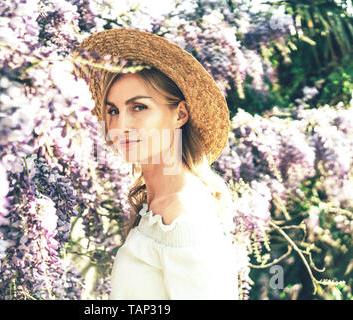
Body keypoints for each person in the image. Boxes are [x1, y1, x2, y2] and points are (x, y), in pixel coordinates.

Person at [73, 28, 239, 300]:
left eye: (138, 107)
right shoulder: (158, 204)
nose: (120, 125)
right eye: (113, 111)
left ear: (180, 114)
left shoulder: (183, 212)